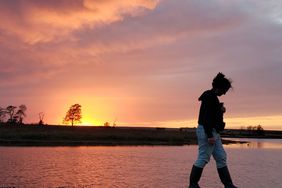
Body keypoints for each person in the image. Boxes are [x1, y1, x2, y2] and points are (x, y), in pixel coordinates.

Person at [189, 72, 237, 188]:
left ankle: (228, 185)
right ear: (219, 88)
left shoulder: (212, 97)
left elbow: (211, 116)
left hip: (212, 131)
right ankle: (193, 185)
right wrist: (209, 135)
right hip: (207, 131)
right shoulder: (210, 97)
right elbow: (206, 118)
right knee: (203, 157)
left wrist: (220, 111)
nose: (225, 93)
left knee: (221, 157)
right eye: (224, 90)